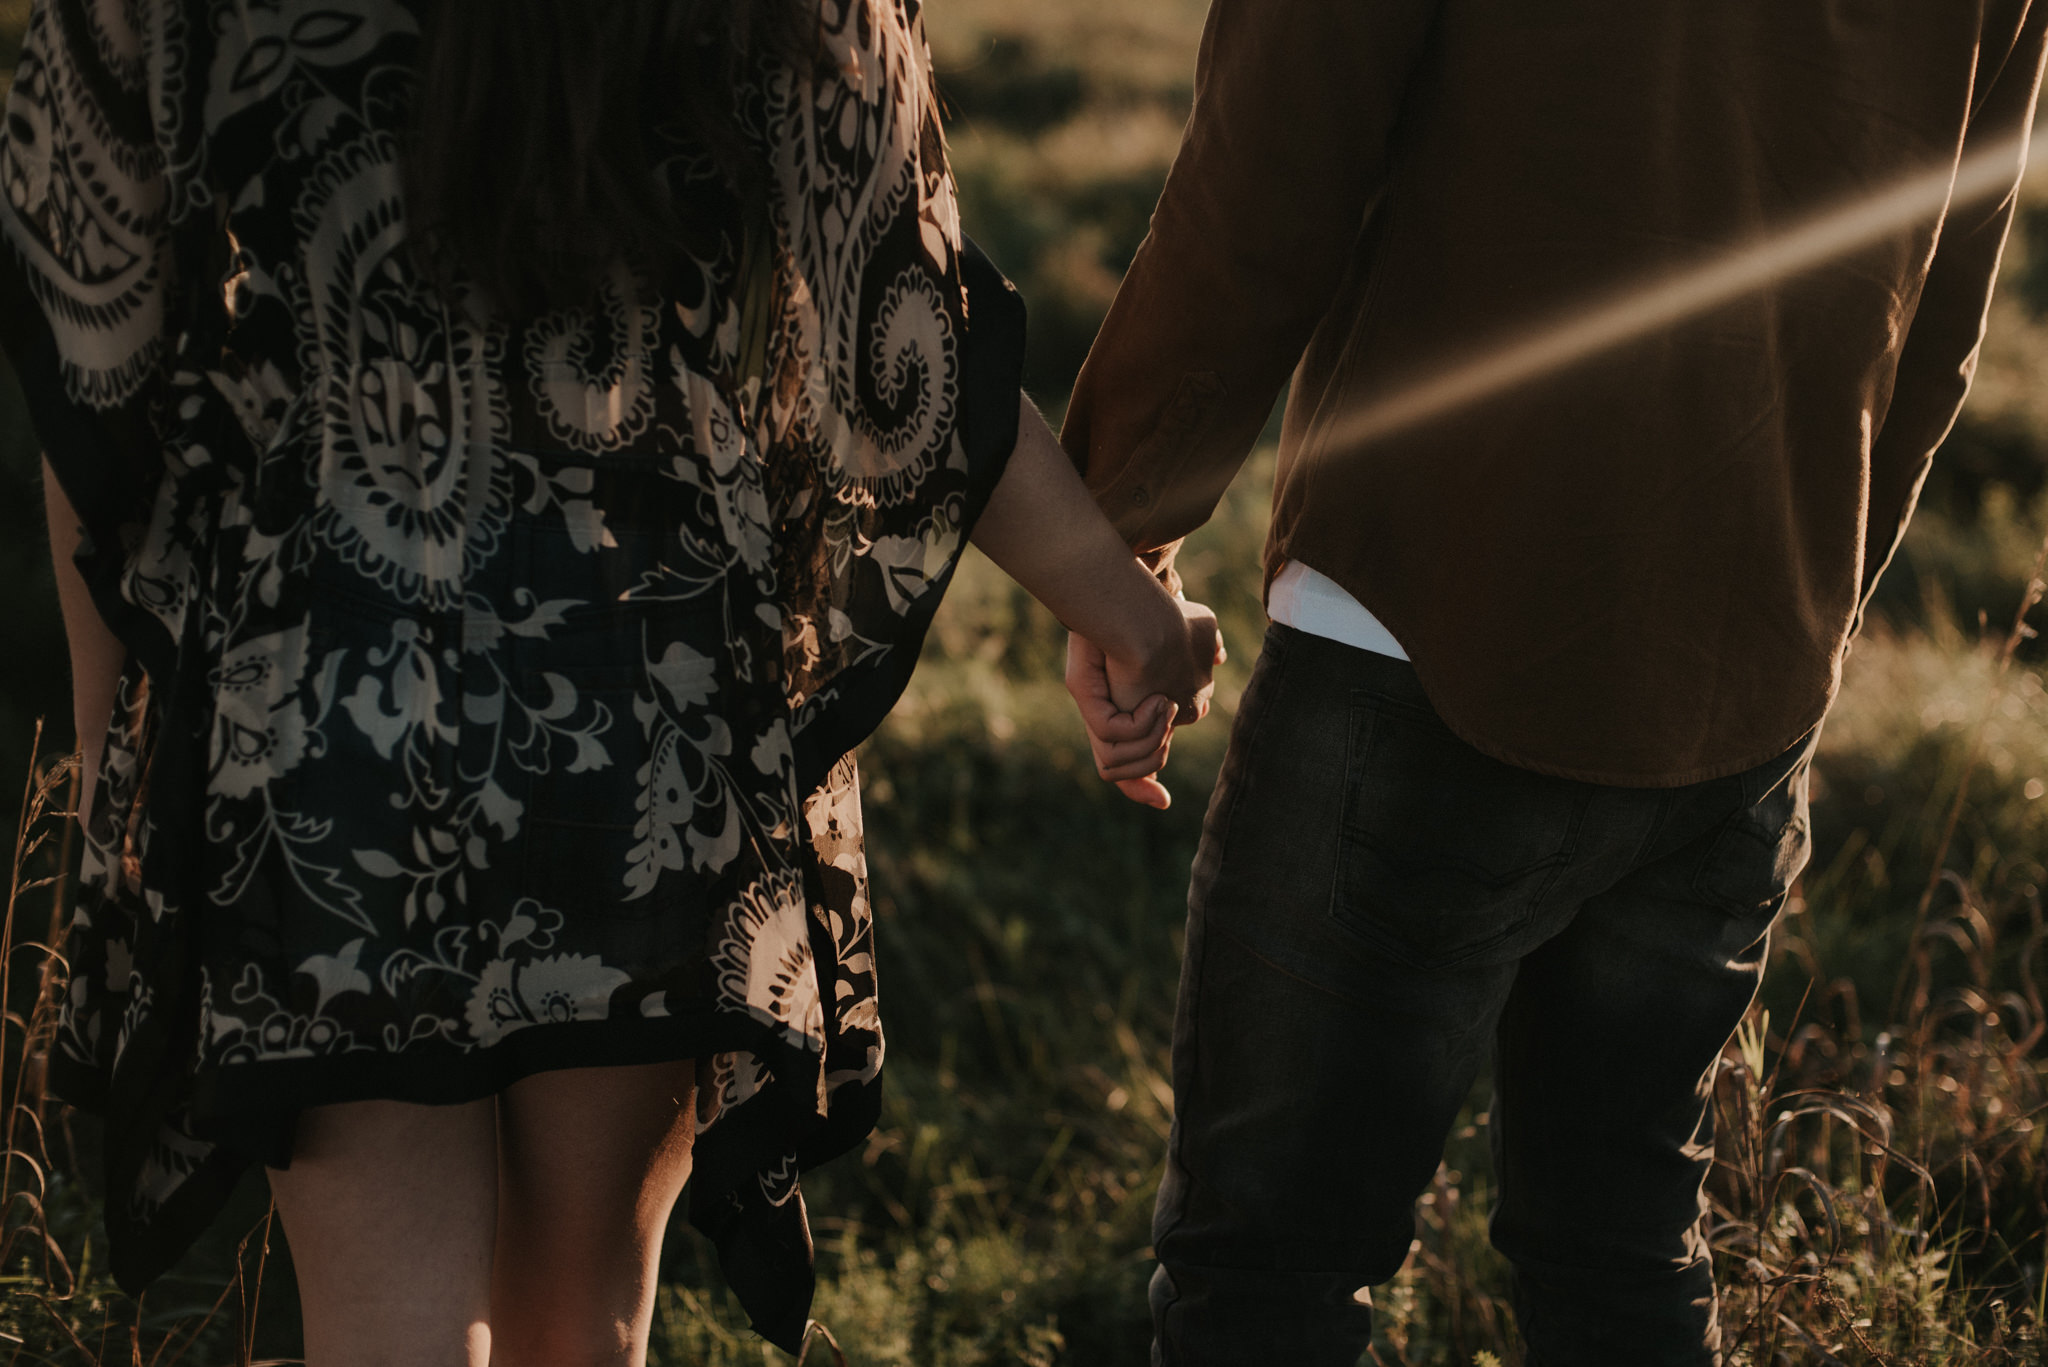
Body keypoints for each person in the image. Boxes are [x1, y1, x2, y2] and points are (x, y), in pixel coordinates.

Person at [3, 1, 1216, 1363]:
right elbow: (906, 334)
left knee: (386, 1328)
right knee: (586, 1316)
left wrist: (115, 748)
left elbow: (93, 353)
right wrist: (1136, 618)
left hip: (323, 689)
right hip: (650, 675)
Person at [1059, 1, 2048, 1362]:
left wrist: (1114, 536)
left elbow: (1265, 174)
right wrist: (1805, 604)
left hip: (1422, 617)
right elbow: (1941, 307)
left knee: (1267, 1273)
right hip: (1746, 663)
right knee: (1623, 1254)